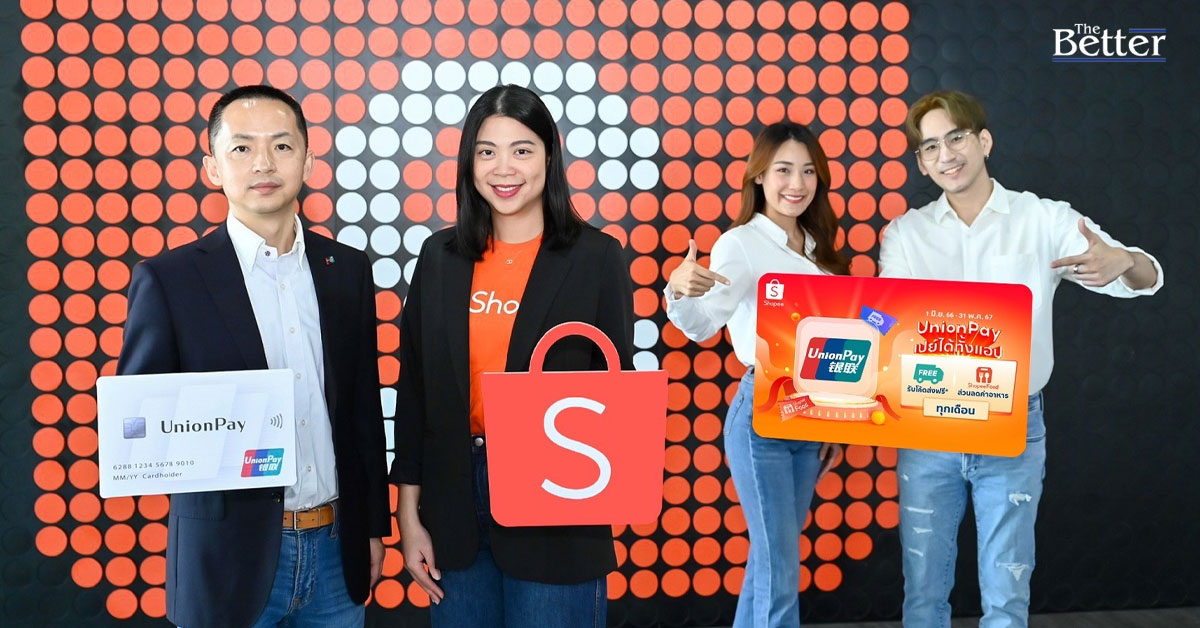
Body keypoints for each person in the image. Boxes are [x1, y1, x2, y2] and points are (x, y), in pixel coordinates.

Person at [878, 90, 1163, 628]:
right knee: (922, 596)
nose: (946, 155)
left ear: (984, 141)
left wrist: (1125, 260)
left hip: (1011, 425)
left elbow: (1143, 277)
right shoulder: (905, 234)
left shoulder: (1044, 218)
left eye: (957, 137)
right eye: (930, 146)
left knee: (1007, 600)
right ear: (921, 162)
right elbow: (891, 323)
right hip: (925, 426)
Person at [117, 85, 389, 628]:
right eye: (241, 148)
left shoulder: (348, 270)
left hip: (336, 554)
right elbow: (137, 425)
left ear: (308, 161)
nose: (263, 163)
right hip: (225, 563)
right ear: (213, 167)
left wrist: (373, 529)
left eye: (282, 146)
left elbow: (363, 413)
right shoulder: (170, 280)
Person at [389, 84, 634, 628]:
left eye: (522, 150)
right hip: (454, 506)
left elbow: (614, 395)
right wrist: (408, 514)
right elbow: (416, 394)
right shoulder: (439, 256)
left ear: (549, 156)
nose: (504, 168)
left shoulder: (596, 258)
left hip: (558, 503)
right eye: (487, 151)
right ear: (468, 162)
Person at [665, 122, 846, 628]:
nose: (797, 183)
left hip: (813, 416)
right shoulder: (740, 243)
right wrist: (678, 289)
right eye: (784, 170)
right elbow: (704, 324)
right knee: (779, 567)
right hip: (762, 418)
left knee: (772, 561)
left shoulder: (818, 246)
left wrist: (834, 423)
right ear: (760, 176)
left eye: (808, 171)